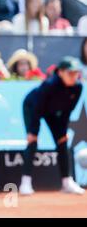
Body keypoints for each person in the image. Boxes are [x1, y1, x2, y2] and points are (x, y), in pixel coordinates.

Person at [19, 56, 85, 195]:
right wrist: (32, 131)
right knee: (33, 141)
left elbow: (67, 111)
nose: (74, 76)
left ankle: (67, 183)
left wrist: (62, 131)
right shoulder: (49, 85)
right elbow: (37, 108)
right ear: (60, 72)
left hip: (52, 112)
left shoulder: (78, 87)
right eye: (70, 73)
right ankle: (25, 183)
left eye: (76, 73)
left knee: (62, 141)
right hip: (32, 107)